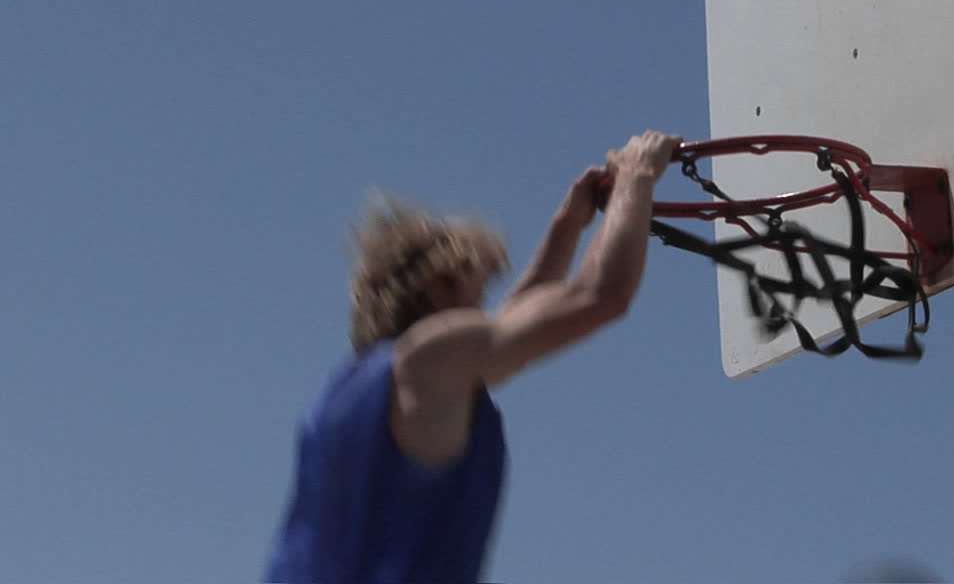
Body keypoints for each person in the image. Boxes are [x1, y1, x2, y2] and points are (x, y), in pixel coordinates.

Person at [263, 131, 684, 584]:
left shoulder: (366, 387)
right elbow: (598, 296)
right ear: (438, 285)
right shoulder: (430, 359)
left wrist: (569, 225)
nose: (485, 307)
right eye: (476, 289)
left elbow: (514, 319)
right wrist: (638, 176)